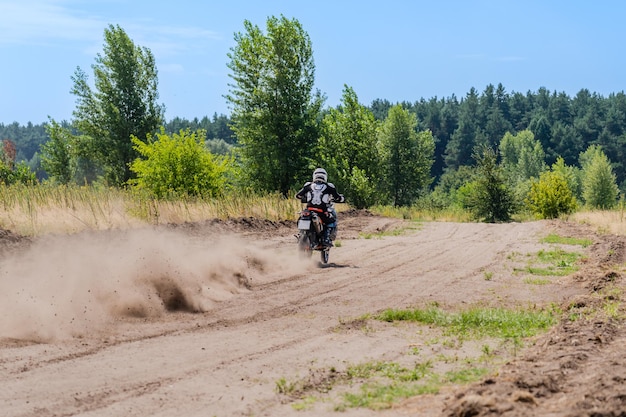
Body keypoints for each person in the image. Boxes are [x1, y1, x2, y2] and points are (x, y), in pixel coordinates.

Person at [295, 168, 345, 248]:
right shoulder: (329, 186)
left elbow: (298, 195)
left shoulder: (308, 185)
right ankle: (326, 239)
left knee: (301, 217)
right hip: (322, 211)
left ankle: (300, 234)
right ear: (325, 176)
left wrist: (305, 197)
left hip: (309, 210)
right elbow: (337, 197)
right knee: (331, 220)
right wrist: (341, 198)